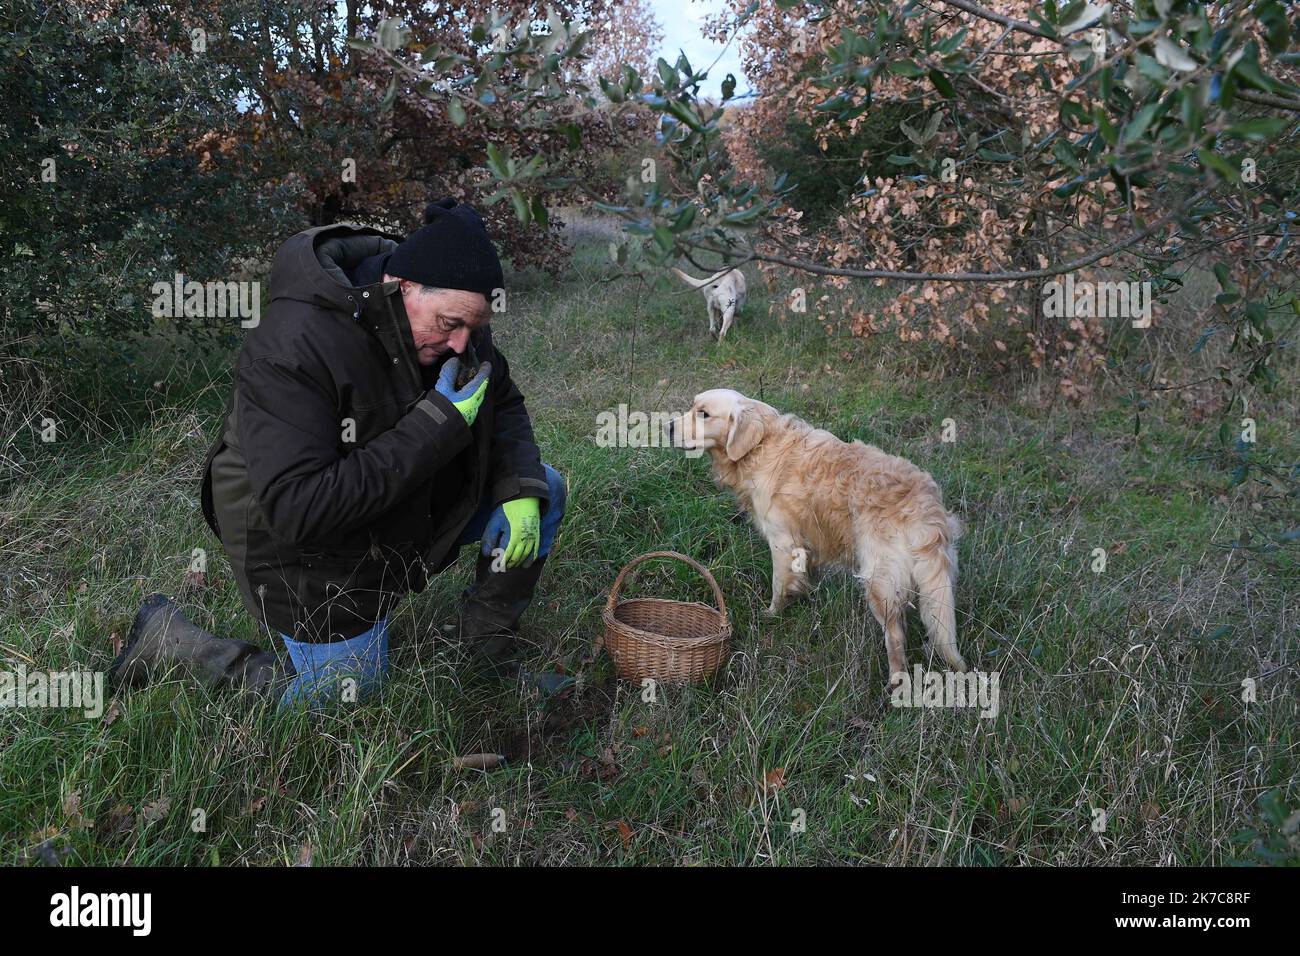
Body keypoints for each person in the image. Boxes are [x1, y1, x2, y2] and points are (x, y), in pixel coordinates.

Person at [110, 198, 571, 709]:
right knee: (345, 695)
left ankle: (488, 661)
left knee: (543, 487)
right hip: (300, 547)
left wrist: (518, 491)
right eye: (450, 324)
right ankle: (169, 643)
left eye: (474, 327)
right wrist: (437, 422)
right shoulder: (293, 346)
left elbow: (500, 400)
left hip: (395, 507)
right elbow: (299, 507)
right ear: (403, 287)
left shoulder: (449, 326)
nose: (463, 345)